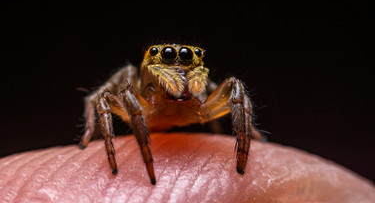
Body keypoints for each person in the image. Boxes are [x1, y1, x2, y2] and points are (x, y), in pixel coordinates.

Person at [1, 133, 374, 202]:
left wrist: (242, 152)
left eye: (188, 58)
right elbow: (112, 94)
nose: (176, 66)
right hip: (146, 118)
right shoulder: (136, 87)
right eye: (165, 58)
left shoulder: (203, 84)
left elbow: (227, 91)